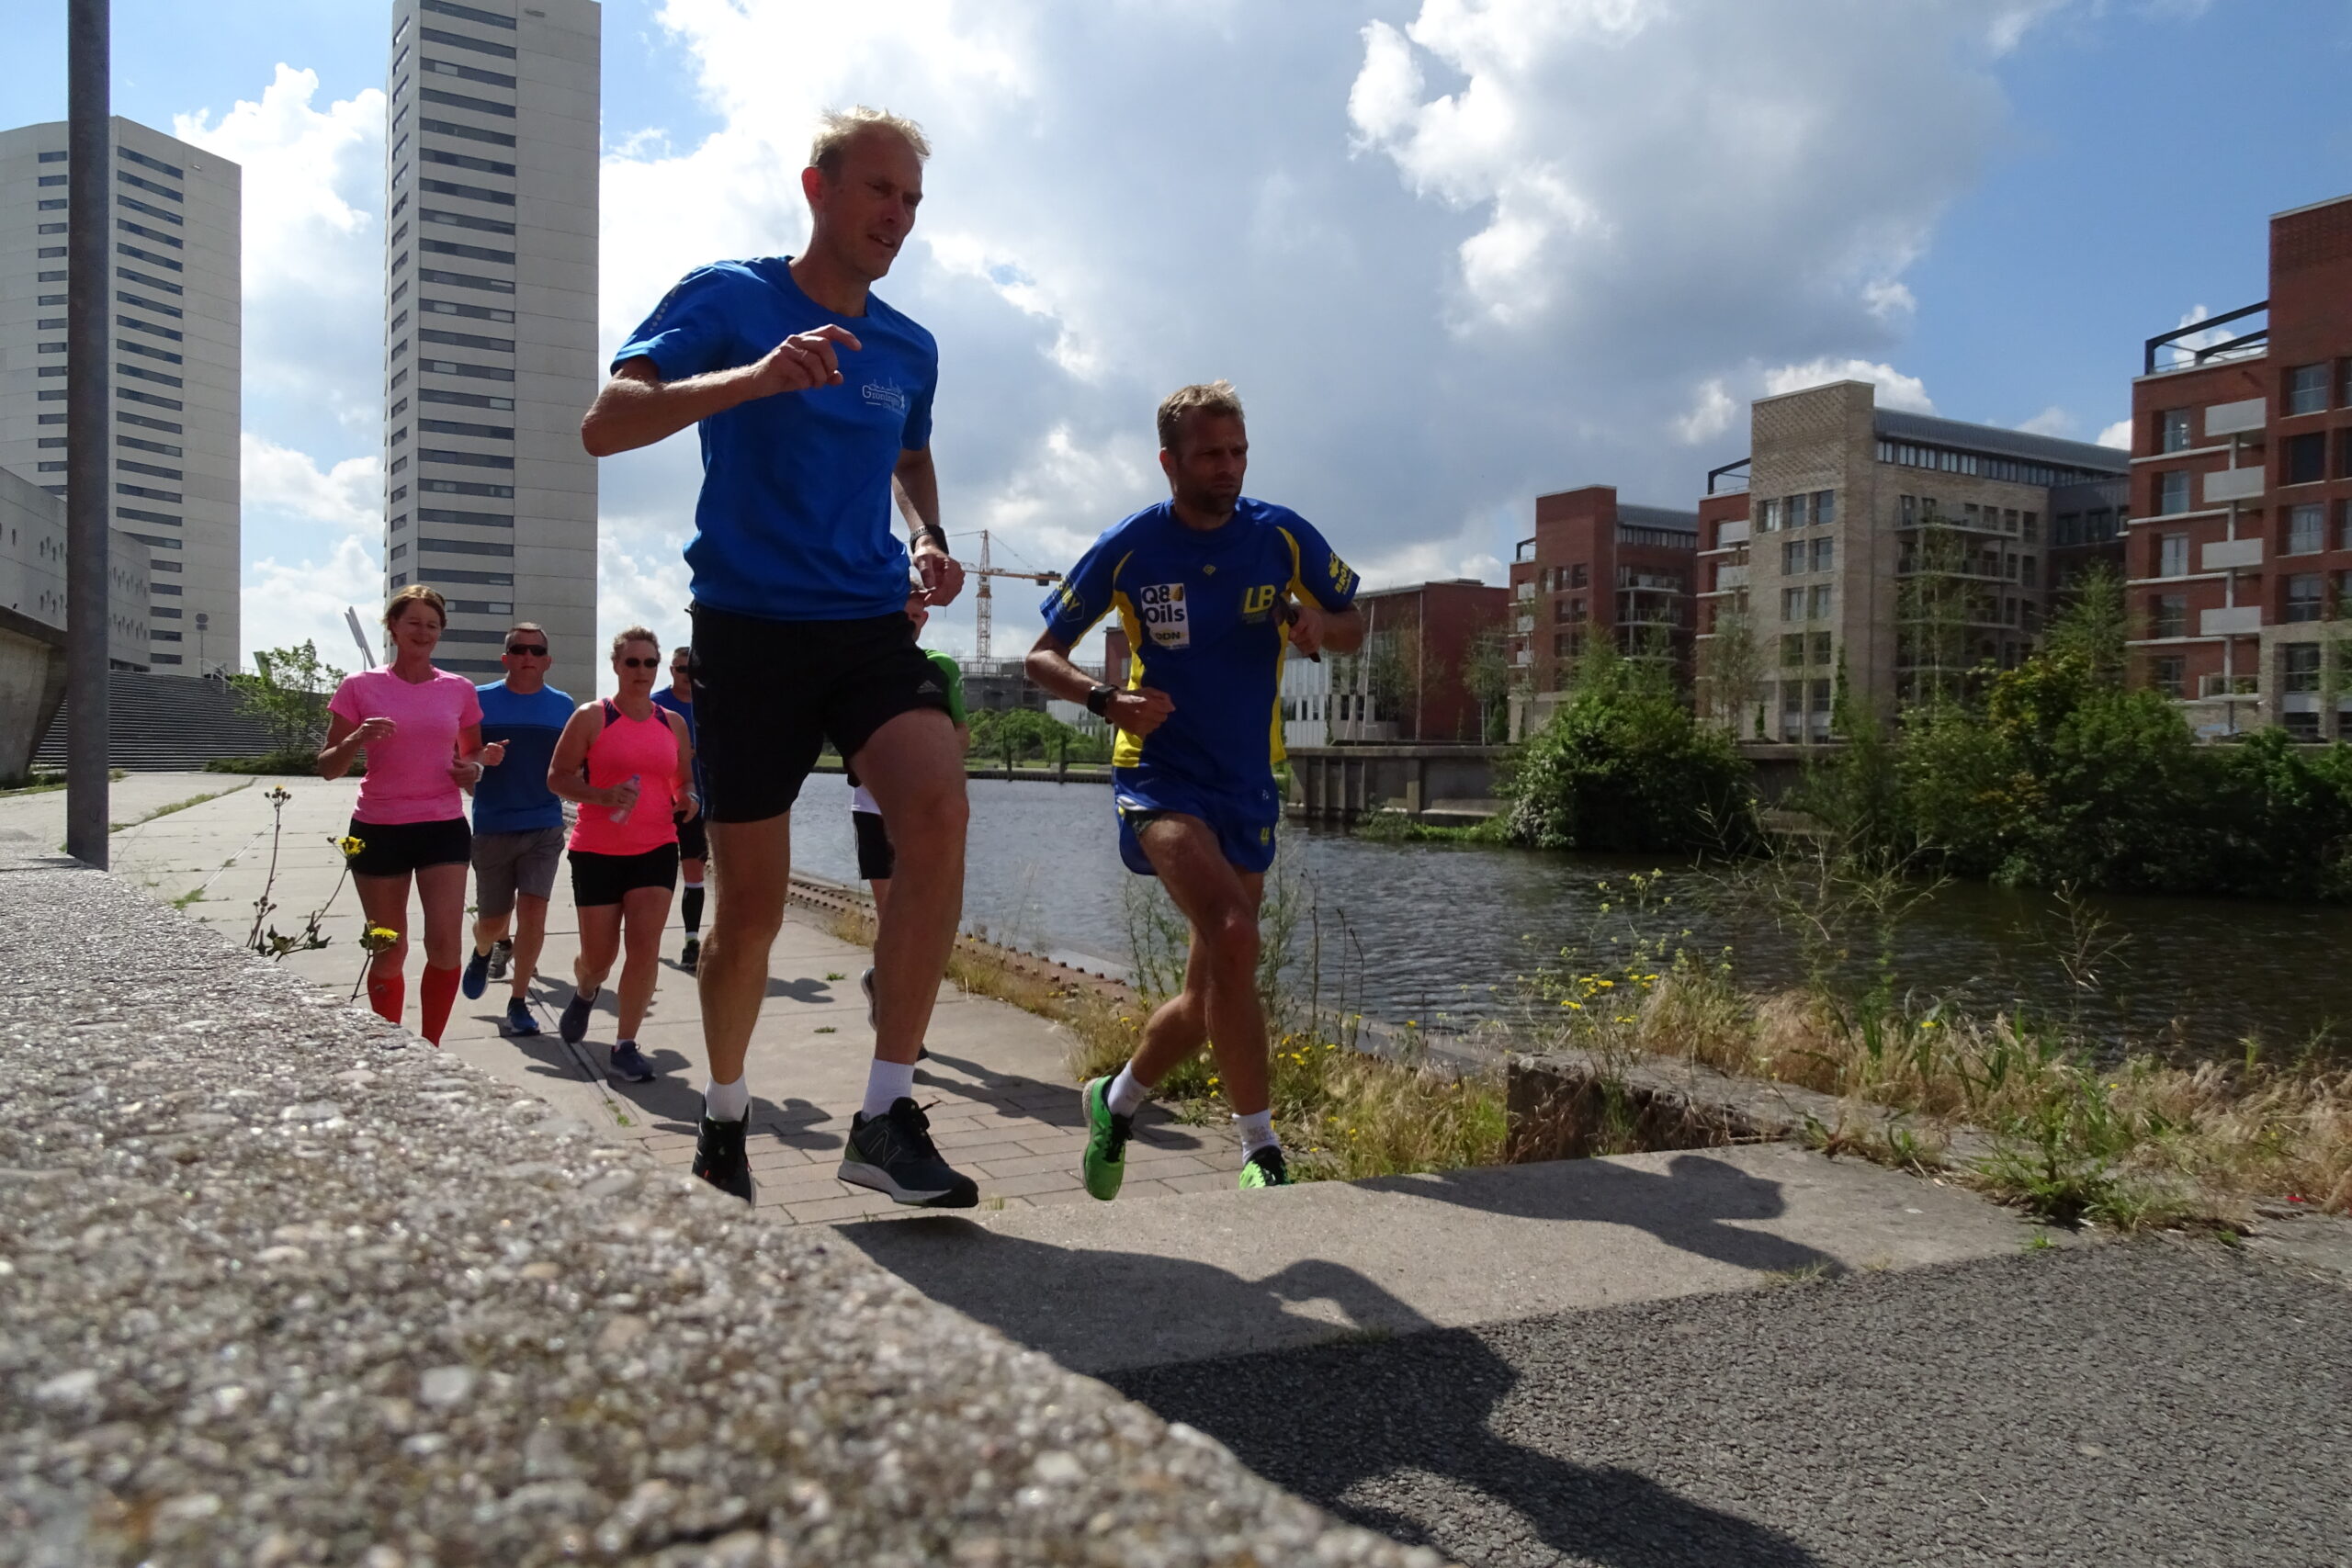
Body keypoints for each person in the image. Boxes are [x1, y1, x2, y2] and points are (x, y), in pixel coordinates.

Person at [581, 106, 975, 1209]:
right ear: (818, 188)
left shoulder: (909, 345)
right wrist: (755, 377)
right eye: (877, 193)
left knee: (937, 810)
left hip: (865, 623)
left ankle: (886, 1114)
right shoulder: (730, 298)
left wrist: (930, 539)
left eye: (910, 201)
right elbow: (607, 423)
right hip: (748, 627)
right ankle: (722, 1115)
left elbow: (910, 451)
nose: (895, 217)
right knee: (748, 911)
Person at [1024, 380, 1363, 1195]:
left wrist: (1323, 627)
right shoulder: (1133, 545)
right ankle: (1261, 1151)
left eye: (1239, 451)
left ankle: (1117, 1099)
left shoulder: (1281, 536)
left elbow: (1355, 620)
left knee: (1211, 981)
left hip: (1247, 777)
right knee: (1235, 927)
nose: (1229, 468)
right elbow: (1040, 655)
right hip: (1159, 771)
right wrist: (1109, 701)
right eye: (1211, 453)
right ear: (1170, 460)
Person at [318, 583, 499, 1047]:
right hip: (379, 827)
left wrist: (473, 767)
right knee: (389, 947)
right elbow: (327, 768)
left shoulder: (458, 690)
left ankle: (432, 1047)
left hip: (442, 825)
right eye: (414, 622)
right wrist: (356, 738)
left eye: (432, 625)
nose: (423, 632)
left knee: (444, 944)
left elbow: (471, 757)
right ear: (393, 627)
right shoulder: (360, 687)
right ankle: (391, 1045)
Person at [545, 626, 698, 1084]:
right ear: (616, 666)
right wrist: (601, 795)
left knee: (645, 947)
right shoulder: (593, 717)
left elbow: (683, 780)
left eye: (650, 663)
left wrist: (688, 798)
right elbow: (557, 777)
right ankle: (587, 989)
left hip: (655, 846)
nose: (642, 671)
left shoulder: (672, 722)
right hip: (597, 850)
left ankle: (626, 1044)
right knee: (600, 956)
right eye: (632, 662)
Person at [847, 595, 969, 1028]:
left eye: (918, 616)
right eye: (904, 615)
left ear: (925, 620)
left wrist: (929, 765)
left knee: (917, 917)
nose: (911, 623)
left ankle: (891, 1000)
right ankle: (894, 1019)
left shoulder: (939, 667)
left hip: (922, 811)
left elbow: (960, 733)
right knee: (892, 915)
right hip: (872, 808)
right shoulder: (859, 663)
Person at [458, 623, 572, 1037]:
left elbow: (573, 764)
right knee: (493, 920)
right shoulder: (478, 700)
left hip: (543, 823)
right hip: (493, 824)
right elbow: (462, 754)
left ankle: (518, 1001)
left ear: (547, 660)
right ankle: (484, 948)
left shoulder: (563, 706)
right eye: (519, 649)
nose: (528, 656)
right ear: (505, 657)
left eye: (536, 650)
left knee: (534, 913)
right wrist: (480, 757)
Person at [650, 644, 708, 974]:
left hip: (698, 801)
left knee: (694, 873)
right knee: (655, 876)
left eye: (692, 669)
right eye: (680, 669)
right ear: (671, 671)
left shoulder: (709, 705)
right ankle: (648, 938)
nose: (687, 676)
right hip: (659, 803)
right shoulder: (656, 705)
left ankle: (691, 940)